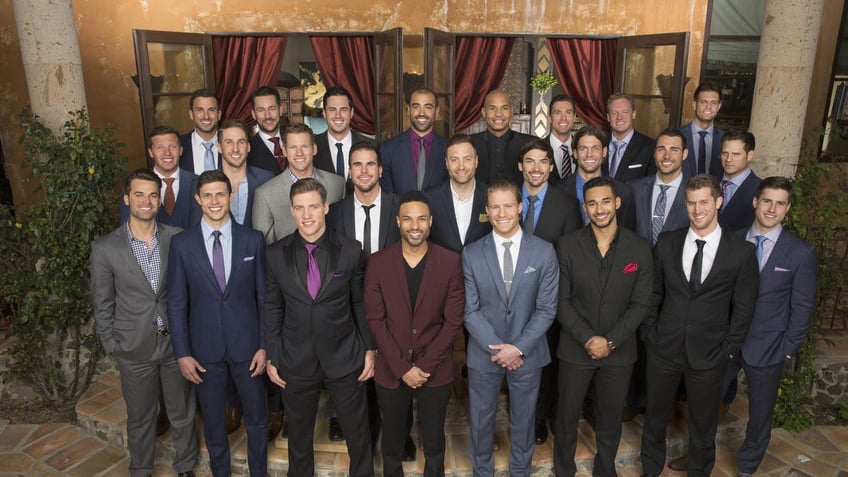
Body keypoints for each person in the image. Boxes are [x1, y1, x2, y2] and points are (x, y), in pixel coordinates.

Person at [640, 174, 759, 477]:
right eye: (691, 203)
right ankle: (650, 470)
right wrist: (651, 333)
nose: (697, 209)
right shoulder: (667, 242)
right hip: (663, 347)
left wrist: (729, 349)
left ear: (718, 202)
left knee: (704, 424)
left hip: (710, 353)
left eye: (704, 202)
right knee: (654, 418)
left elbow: (744, 308)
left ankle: (699, 470)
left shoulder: (741, 252)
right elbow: (654, 293)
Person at [265, 178, 376, 477]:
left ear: (326, 206)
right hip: (295, 358)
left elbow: (358, 304)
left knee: (358, 434)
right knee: (298, 439)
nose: (307, 214)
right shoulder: (276, 254)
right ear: (291, 210)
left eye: (313, 206)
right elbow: (273, 306)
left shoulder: (351, 250)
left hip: (345, 355)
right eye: (299, 208)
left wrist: (369, 349)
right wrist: (273, 353)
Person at [91, 168, 198, 477]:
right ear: (127, 199)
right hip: (133, 347)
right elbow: (102, 302)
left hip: (173, 342)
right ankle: (140, 468)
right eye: (139, 194)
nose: (147, 201)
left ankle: (186, 466)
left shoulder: (176, 238)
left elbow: (188, 292)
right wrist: (112, 344)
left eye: (153, 195)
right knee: (140, 416)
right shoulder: (106, 248)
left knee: (182, 412)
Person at [168, 170, 269, 477]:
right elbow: (176, 303)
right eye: (208, 195)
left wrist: (265, 345)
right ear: (198, 199)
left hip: (248, 348)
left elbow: (264, 298)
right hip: (204, 351)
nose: (215, 201)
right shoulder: (181, 244)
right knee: (213, 424)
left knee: (257, 420)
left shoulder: (253, 240)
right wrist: (183, 353)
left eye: (220, 194)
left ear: (231, 197)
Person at [553, 177, 653, 477]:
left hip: (619, 352)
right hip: (575, 348)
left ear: (617, 203)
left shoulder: (639, 247)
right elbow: (561, 302)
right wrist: (588, 339)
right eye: (592, 203)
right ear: (584, 207)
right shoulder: (567, 245)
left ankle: (605, 468)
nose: (599, 209)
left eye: (605, 201)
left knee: (610, 419)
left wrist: (609, 341)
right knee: (567, 417)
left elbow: (641, 304)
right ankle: (563, 470)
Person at [365, 190, 465, 477]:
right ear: (397, 222)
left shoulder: (450, 262)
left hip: (434, 368)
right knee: (392, 442)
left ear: (431, 221)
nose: (415, 225)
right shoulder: (378, 262)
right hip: (391, 369)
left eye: (421, 218)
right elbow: (375, 318)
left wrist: (422, 366)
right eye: (407, 219)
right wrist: (401, 367)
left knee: (434, 442)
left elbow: (452, 322)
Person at [463, 179, 559, 477]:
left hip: (527, 353)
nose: (501, 213)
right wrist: (499, 349)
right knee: (480, 421)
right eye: (494, 207)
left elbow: (546, 309)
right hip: (484, 354)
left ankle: (521, 471)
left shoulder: (544, 252)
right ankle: (483, 472)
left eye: (508, 205)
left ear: (520, 207)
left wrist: (517, 348)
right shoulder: (471, 253)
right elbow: (470, 309)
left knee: (524, 420)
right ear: (487, 211)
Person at [736, 177, 817, 477]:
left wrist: (787, 348)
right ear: (756, 202)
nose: (772, 208)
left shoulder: (800, 252)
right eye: (767, 200)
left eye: (780, 203)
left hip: (769, 347)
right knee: (707, 400)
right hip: (728, 343)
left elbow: (803, 306)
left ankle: (746, 467)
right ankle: (700, 454)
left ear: (788, 209)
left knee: (759, 415)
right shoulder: (732, 240)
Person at [326, 140, 404, 451]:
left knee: (394, 370)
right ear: (349, 172)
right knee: (355, 369)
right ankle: (361, 431)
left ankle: (399, 436)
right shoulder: (335, 213)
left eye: (370, 164)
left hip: (394, 305)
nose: (364, 171)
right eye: (357, 165)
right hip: (348, 305)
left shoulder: (401, 207)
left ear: (381, 170)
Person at [516, 138, 581, 445]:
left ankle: (539, 416)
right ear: (520, 166)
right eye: (530, 161)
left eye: (543, 161)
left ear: (551, 167)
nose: (536, 168)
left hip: (546, 299)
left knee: (545, 360)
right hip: (509, 298)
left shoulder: (566, 204)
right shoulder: (506, 198)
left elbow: (569, 257)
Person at [252, 123, 346, 245]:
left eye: (305, 146)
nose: (299, 153)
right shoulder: (265, 194)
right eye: (293, 147)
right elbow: (265, 247)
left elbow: (343, 234)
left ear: (314, 149)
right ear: (284, 150)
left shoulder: (337, 184)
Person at [189, 119, 273, 229]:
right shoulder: (200, 184)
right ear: (219, 147)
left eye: (241, 142)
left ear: (248, 147)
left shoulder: (266, 179)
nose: (235, 149)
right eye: (229, 142)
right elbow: (196, 230)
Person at [557, 125, 636, 230]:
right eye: (583, 149)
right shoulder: (558, 191)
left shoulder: (623, 192)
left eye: (595, 148)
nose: (589, 154)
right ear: (575, 153)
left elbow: (627, 237)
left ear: (604, 152)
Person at [120, 126, 199, 228]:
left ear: (181, 150)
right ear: (150, 152)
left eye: (173, 147)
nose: (167, 153)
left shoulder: (199, 183)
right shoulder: (133, 186)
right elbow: (127, 229)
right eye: (160, 147)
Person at [425, 133, 491, 253]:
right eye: (454, 160)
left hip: (482, 271)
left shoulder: (491, 196)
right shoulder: (430, 198)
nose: (461, 166)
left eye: (467, 159)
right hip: (443, 270)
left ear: (476, 161)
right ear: (447, 163)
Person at [380, 88, 449, 194]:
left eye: (428, 107)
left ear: (437, 111)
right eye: (416, 106)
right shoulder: (388, 149)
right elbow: (386, 195)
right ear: (408, 110)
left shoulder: (448, 149)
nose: (422, 113)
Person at [632, 128, 691, 245]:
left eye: (674, 150)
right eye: (661, 149)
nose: (666, 156)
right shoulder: (634, 189)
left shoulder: (694, 192)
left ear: (684, 154)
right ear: (654, 153)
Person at [471, 89, 535, 186]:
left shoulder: (530, 144)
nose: (498, 114)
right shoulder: (470, 144)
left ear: (511, 111)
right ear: (484, 112)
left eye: (504, 108)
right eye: (492, 108)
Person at [314, 86, 371, 187]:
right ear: (324, 113)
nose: (338, 116)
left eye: (343, 110)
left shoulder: (372, 146)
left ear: (351, 112)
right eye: (332, 110)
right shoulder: (311, 147)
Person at [604, 93, 656, 183]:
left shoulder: (650, 147)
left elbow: (650, 186)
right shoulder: (599, 144)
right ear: (608, 117)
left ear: (633, 114)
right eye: (614, 113)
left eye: (625, 112)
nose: (619, 117)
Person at [717, 128, 762, 232]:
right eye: (725, 153)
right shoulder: (710, 182)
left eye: (735, 154)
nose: (728, 159)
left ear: (749, 155)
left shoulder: (760, 190)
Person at [680, 82, 724, 179]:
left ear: (719, 106)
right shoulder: (678, 136)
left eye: (713, 103)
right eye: (703, 102)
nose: (708, 107)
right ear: (694, 104)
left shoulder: (724, 139)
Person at [179, 88, 222, 173]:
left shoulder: (231, 144)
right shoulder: (179, 145)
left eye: (211, 110)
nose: (206, 116)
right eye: (199, 110)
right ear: (191, 114)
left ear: (219, 115)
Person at [247, 85, 287, 175]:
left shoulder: (295, 140)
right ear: (253, 114)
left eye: (272, 109)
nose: (267, 116)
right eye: (261, 110)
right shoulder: (247, 150)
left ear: (280, 110)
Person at [545, 94, 577, 186]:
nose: (563, 118)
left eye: (568, 112)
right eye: (558, 113)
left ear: (574, 117)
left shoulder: (583, 148)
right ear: (550, 118)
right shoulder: (538, 148)